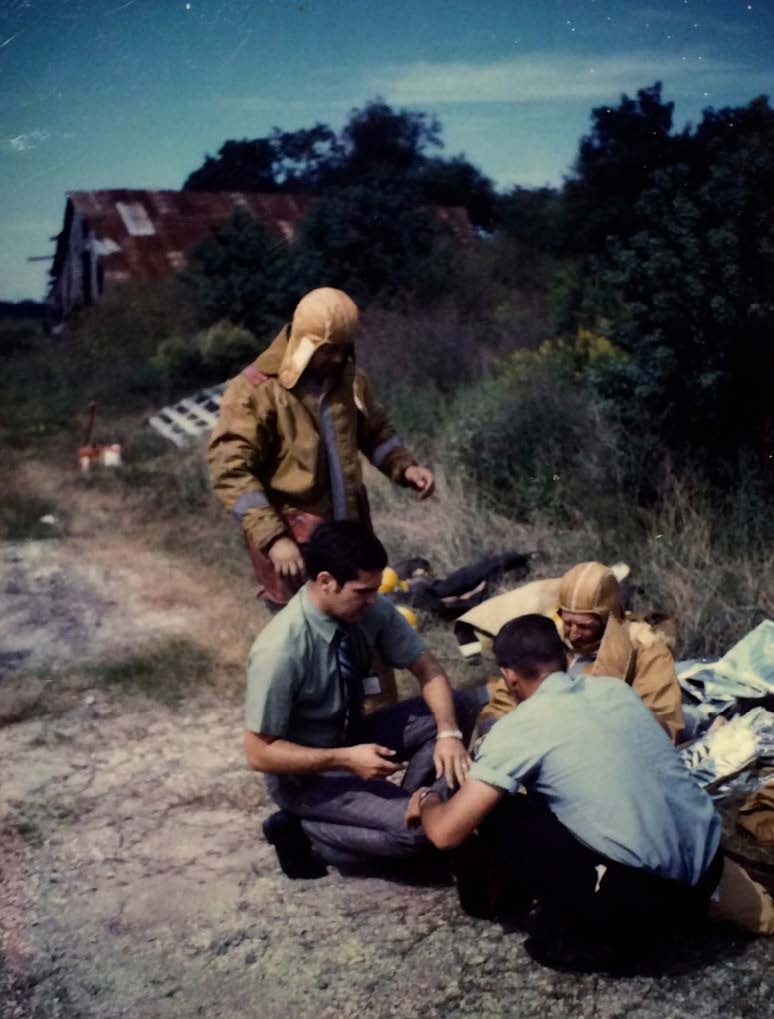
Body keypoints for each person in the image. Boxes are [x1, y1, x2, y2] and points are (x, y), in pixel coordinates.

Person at [407, 614, 726, 969]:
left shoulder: (519, 727)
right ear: (565, 658)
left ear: (509, 676)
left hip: (647, 905)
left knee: (498, 810)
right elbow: (660, 733)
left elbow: (447, 833)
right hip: (708, 875)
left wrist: (427, 800)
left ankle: (526, 915)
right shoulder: (615, 690)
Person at [244, 520, 476, 879]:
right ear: (325, 582)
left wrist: (448, 734)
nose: (374, 599)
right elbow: (258, 753)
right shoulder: (280, 650)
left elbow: (426, 667)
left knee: (458, 708)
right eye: (362, 591)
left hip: (351, 736)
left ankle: (417, 803)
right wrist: (345, 760)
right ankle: (311, 838)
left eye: (374, 589)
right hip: (305, 774)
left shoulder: (367, 608)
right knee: (418, 836)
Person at [208, 287, 434, 609]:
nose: (339, 358)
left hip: (348, 529)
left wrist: (405, 467)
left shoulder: (351, 380)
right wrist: (275, 539)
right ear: (304, 342)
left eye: (345, 348)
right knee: (303, 631)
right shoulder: (254, 392)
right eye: (329, 350)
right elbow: (231, 471)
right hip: (293, 541)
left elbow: (375, 431)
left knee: (356, 616)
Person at [480, 561, 685, 742]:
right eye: (568, 622)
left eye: (585, 626)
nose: (574, 634)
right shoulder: (553, 635)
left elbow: (663, 727)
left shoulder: (646, 649)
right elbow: (505, 699)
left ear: (607, 619)